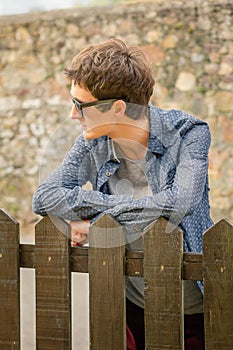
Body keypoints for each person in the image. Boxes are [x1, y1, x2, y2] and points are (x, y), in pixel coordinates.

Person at [32, 38, 213, 350]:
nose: (73, 115)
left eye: (80, 105)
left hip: (191, 305)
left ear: (117, 107)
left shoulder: (189, 133)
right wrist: (112, 213)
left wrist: (95, 220)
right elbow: (44, 196)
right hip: (127, 302)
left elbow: (179, 203)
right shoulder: (93, 140)